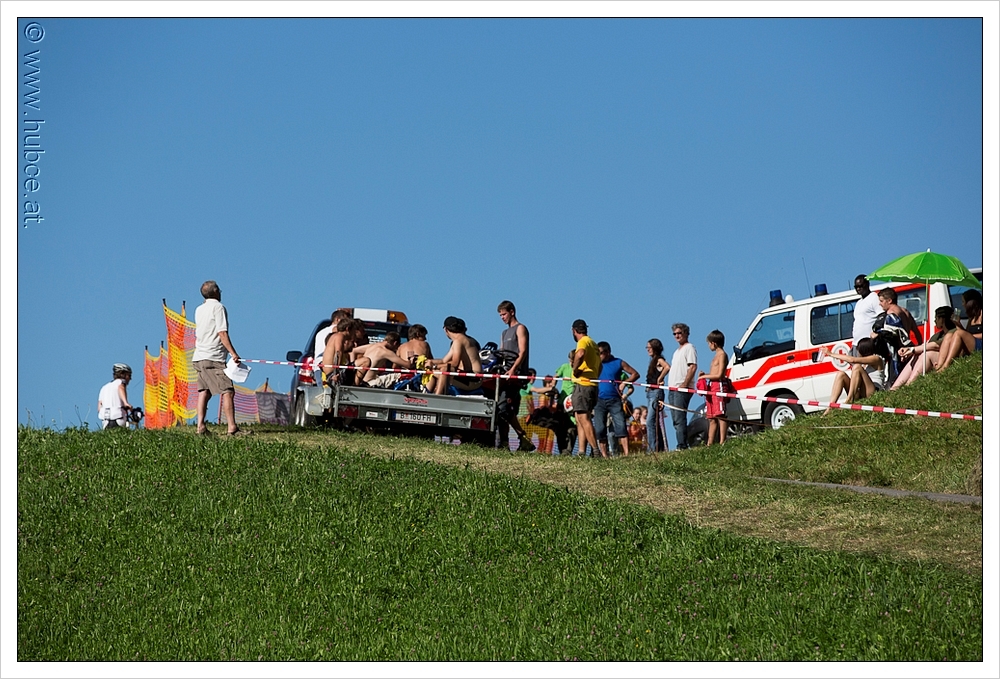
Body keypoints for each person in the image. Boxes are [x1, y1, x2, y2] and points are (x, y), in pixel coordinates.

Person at [192, 280, 246, 436]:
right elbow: (222, 332)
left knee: (205, 391)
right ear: (215, 291)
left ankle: (200, 426)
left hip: (199, 357)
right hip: (213, 357)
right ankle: (232, 428)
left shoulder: (199, 309)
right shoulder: (218, 307)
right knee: (227, 391)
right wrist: (233, 353)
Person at [891, 306, 962, 389]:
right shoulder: (938, 334)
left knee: (927, 354)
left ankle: (909, 385)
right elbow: (925, 345)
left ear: (942, 319)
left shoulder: (953, 332)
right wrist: (909, 351)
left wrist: (913, 349)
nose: (934, 321)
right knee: (917, 354)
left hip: (948, 359)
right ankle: (895, 387)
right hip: (937, 358)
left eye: (936, 318)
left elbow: (936, 345)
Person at [496, 300, 534, 452]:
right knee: (501, 410)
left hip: (516, 376)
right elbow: (501, 353)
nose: (502, 318)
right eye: (500, 315)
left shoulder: (520, 328)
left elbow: (522, 352)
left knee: (504, 407)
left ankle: (523, 438)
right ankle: (505, 442)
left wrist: (513, 370)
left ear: (512, 312)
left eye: (504, 314)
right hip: (504, 374)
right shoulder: (504, 333)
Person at [593, 342, 639, 458]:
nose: (598, 355)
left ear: (608, 352)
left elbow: (635, 374)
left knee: (621, 426)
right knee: (600, 429)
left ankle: (626, 454)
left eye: (600, 353)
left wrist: (624, 383)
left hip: (615, 400)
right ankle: (604, 456)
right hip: (599, 400)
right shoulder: (595, 363)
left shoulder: (618, 362)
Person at [820, 337, 884, 414]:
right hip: (860, 392)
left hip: (873, 391)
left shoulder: (876, 359)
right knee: (841, 374)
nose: (857, 352)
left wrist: (831, 354)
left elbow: (853, 360)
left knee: (857, 367)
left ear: (863, 350)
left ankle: (849, 399)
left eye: (858, 349)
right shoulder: (863, 363)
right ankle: (831, 406)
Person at [427, 316, 483, 395]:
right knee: (431, 371)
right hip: (471, 376)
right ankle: (428, 394)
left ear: (446, 329)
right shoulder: (460, 339)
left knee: (444, 369)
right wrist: (428, 361)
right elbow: (443, 360)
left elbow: (454, 363)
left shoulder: (458, 341)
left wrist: (434, 366)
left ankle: (437, 396)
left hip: (473, 379)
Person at [570, 319, 601, 458]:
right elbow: (600, 365)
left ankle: (595, 450)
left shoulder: (582, 342)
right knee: (580, 418)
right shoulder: (593, 343)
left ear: (574, 330)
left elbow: (580, 354)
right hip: (592, 384)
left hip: (584, 384)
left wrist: (575, 369)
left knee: (584, 418)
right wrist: (595, 376)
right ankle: (581, 451)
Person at [665, 323, 698, 450]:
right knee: (675, 419)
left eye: (679, 333)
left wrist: (685, 384)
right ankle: (681, 442)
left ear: (686, 333)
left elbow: (692, 367)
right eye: (675, 334)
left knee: (679, 417)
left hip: (682, 388)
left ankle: (682, 445)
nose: (677, 336)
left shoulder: (689, 348)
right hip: (672, 388)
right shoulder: (676, 352)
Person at [698, 330, 733, 446]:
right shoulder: (715, 356)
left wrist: (705, 376)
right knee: (711, 416)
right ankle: (710, 443)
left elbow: (720, 375)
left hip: (719, 386)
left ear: (714, 343)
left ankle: (723, 441)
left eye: (709, 343)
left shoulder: (722, 355)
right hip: (711, 386)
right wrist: (705, 375)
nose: (708, 346)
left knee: (720, 414)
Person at [937, 290, 982, 371]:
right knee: (949, 335)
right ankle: (939, 365)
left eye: (963, 302)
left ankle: (946, 365)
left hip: (981, 344)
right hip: (973, 343)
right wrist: (958, 324)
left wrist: (971, 336)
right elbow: (966, 334)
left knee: (958, 333)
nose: (962, 304)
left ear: (970, 303)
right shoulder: (971, 318)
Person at [350, 331, 415, 387]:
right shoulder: (386, 352)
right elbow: (407, 365)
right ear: (395, 343)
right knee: (399, 375)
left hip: (359, 379)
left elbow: (353, 351)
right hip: (370, 381)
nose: (396, 350)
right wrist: (412, 359)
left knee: (386, 373)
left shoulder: (372, 345)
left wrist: (352, 368)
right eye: (396, 347)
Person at [644, 339, 669, 453]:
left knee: (650, 421)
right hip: (650, 392)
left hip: (656, 392)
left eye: (649, 347)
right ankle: (658, 447)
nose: (648, 350)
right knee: (654, 421)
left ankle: (652, 449)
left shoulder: (659, 359)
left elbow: (667, 367)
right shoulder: (652, 360)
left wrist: (660, 378)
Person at [321, 318, 358, 386]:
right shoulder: (340, 336)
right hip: (332, 374)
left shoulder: (334, 336)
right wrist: (336, 373)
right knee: (365, 361)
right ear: (347, 329)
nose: (354, 334)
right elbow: (338, 353)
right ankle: (356, 385)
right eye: (353, 331)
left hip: (329, 373)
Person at [851, 275, 882, 355]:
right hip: (856, 343)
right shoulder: (859, 302)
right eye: (856, 287)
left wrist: (876, 332)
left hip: (868, 344)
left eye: (860, 286)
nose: (858, 289)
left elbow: (882, 316)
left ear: (867, 284)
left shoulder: (874, 298)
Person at [97, 363, 134, 429]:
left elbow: (99, 407)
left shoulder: (104, 387)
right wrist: (126, 403)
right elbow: (121, 388)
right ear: (123, 374)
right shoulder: (121, 382)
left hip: (105, 420)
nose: (130, 378)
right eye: (129, 375)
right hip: (118, 417)